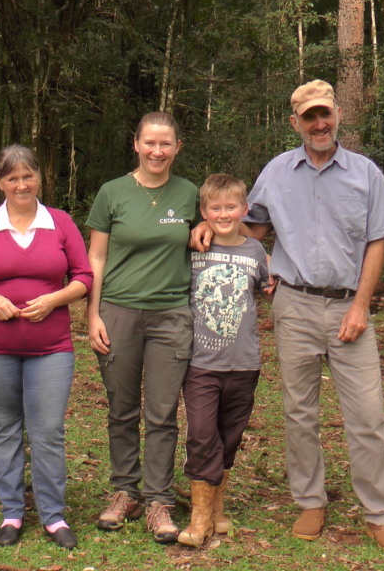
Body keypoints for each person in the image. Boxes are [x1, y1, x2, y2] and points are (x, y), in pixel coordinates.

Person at [195, 79, 384, 553]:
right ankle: (311, 502)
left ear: (337, 117)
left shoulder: (365, 173)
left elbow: (378, 241)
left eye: (325, 114)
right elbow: (250, 225)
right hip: (293, 303)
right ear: (295, 122)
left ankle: (380, 513)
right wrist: (209, 225)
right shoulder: (276, 172)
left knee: (367, 415)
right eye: (309, 116)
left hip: (349, 306)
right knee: (299, 411)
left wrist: (361, 306)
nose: (318, 123)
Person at [0, 145, 93, 550]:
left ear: (39, 178)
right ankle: (12, 512)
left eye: (27, 175)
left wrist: (55, 299)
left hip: (51, 348)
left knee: (47, 431)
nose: (21, 184)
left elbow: (83, 275)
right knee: (5, 429)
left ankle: (53, 515)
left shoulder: (61, 223)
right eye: (12, 177)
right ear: (0, 182)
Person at [86, 111, 199, 544]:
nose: (157, 151)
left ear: (177, 148)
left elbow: (217, 226)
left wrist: (206, 224)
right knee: (122, 407)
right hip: (117, 311)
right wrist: (92, 314)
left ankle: (158, 499)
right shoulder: (112, 193)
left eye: (165, 143)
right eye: (149, 142)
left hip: (172, 315)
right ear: (136, 143)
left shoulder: (189, 193)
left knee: (163, 412)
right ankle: (124, 491)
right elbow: (96, 258)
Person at [177, 174, 269, 547]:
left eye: (231, 207)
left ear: (244, 210)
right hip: (201, 362)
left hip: (244, 362)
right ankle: (199, 518)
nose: (223, 213)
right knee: (201, 434)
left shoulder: (256, 253)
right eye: (215, 208)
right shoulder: (194, 249)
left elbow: (267, 288)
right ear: (204, 212)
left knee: (230, 435)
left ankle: (217, 509)